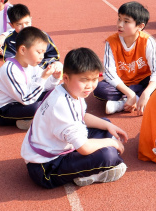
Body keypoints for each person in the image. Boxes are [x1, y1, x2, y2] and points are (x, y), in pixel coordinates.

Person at [21, 48, 128, 189]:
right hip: (45, 168)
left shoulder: (70, 90)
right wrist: (111, 142)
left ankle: (86, 166)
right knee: (109, 155)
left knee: (105, 125)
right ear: (66, 78)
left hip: (58, 147)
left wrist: (109, 126)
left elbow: (82, 116)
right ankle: (90, 175)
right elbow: (84, 148)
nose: (90, 85)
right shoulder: (61, 105)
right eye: (84, 80)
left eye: (94, 79)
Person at [94, 1, 156, 115]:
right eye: (119, 19)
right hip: (122, 84)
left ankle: (123, 103)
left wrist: (146, 92)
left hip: (144, 81)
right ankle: (135, 98)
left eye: (126, 21)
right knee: (99, 89)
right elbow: (109, 73)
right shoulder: (111, 42)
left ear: (140, 26)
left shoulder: (147, 41)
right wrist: (130, 93)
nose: (120, 24)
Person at [0, 27, 62, 130]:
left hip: (22, 100)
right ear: (23, 50)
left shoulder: (32, 65)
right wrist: (43, 77)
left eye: (43, 52)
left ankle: (31, 120)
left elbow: (44, 87)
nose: (42, 56)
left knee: (58, 91)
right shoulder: (10, 70)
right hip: (2, 110)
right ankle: (37, 120)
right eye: (39, 52)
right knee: (38, 107)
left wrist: (54, 78)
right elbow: (26, 99)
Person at [2, 4, 59, 69]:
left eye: (27, 23)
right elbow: (9, 60)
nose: (24, 27)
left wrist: (44, 66)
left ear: (31, 19)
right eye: (19, 24)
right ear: (11, 25)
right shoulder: (10, 40)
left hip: (42, 68)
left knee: (58, 65)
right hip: (22, 70)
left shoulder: (41, 36)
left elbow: (54, 55)